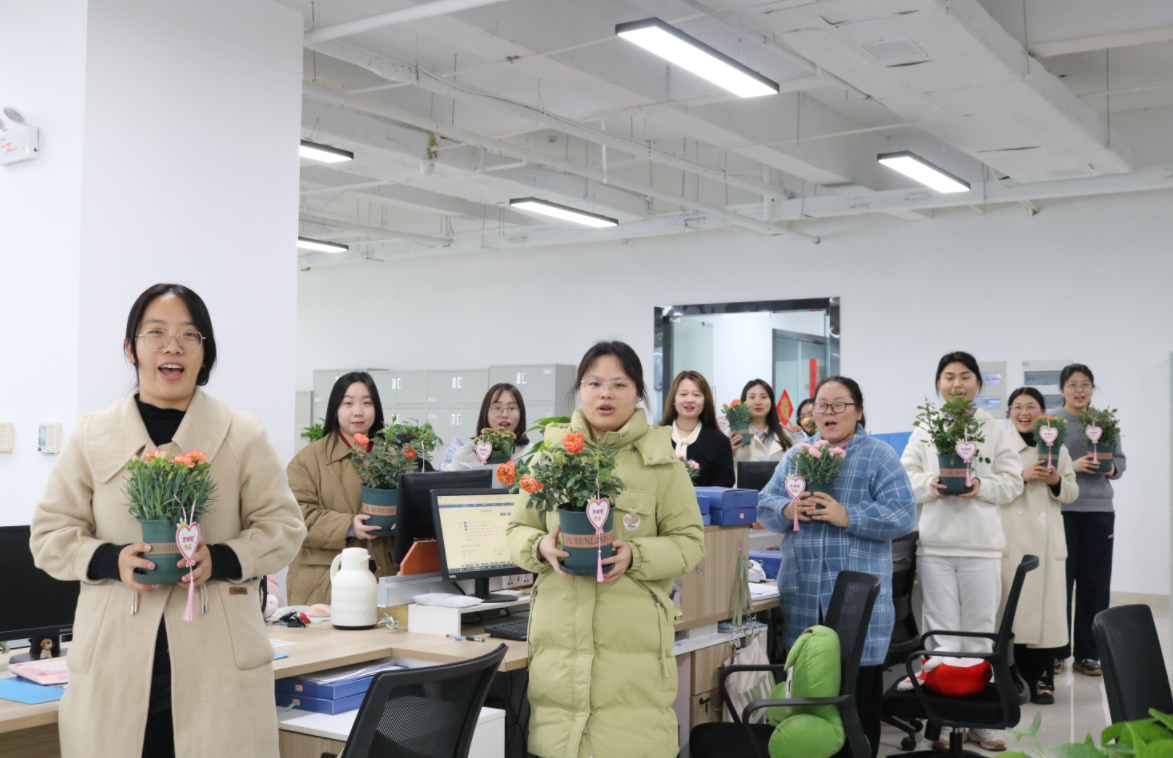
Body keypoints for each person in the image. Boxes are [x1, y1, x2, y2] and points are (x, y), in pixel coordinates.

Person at [29, 283, 306, 758]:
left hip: (219, 661)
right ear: (130, 349)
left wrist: (220, 558)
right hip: (115, 659)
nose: (171, 346)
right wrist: (108, 559)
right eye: (155, 333)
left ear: (205, 353)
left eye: (189, 335)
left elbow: (283, 527)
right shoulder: (93, 435)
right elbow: (50, 534)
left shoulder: (242, 434)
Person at [507, 341, 705, 758]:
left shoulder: (662, 465)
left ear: (638, 394)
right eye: (594, 382)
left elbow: (689, 544)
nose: (605, 393)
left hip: (630, 656)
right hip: (559, 651)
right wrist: (539, 546)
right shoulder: (550, 458)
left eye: (619, 383)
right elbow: (518, 529)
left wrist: (636, 555)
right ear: (580, 390)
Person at [759, 376, 916, 758]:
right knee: (810, 695)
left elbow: (903, 516)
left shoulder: (879, 456)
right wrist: (786, 509)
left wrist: (850, 516)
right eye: (820, 405)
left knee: (855, 699)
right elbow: (765, 504)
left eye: (838, 405)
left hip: (855, 602)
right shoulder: (797, 454)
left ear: (858, 411)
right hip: (804, 593)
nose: (827, 413)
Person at [901, 351, 1022, 752]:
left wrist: (981, 487)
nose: (957, 384)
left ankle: (979, 723)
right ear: (938, 383)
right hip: (935, 545)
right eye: (949, 376)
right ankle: (940, 719)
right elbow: (906, 477)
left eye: (965, 376)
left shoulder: (994, 428)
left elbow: (1012, 483)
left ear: (977, 384)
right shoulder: (925, 428)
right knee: (940, 635)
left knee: (978, 633)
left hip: (981, 548)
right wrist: (931, 482)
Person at [286, 372, 398, 606]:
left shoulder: (392, 457)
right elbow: (295, 517)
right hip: (325, 583)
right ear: (335, 410)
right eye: (348, 403)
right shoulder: (308, 460)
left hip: (383, 579)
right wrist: (349, 525)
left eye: (366, 403)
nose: (358, 411)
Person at [999, 388, 1078, 704]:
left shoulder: (1057, 448)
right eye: (1017, 406)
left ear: (1044, 412)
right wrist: (1022, 476)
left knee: (1047, 616)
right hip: (1012, 541)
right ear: (1009, 413)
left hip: (1047, 546)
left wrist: (1056, 479)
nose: (1024, 412)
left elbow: (1072, 492)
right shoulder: (1002, 446)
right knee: (1014, 613)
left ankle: (1043, 679)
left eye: (1031, 406)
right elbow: (990, 488)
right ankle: (1013, 677)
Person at [1050, 363, 1126, 677]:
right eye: (1072, 384)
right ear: (1062, 389)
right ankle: (1055, 651)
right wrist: (1074, 464)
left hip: (1099, 510)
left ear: (1092, 388)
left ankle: (1090, 653)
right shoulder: (1052, 422)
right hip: (1062, 509)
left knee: (1095, 584)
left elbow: (1120, 463)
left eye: (1085, 384)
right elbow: (1046, 463)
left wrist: (1107, 467)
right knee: (1059, 583)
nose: (1079, 390)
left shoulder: (1105, 421)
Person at [661, 370, 735, 487]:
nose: (689, 400)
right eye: (683, 394)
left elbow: (725, 484)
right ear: (673, 400)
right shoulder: (656, 437)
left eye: (696, 395)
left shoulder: (720, 442)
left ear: (705, 401)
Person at [449, 383, 537, 470]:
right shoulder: (465, 455)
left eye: (511, 408)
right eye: (497, 408)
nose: (505, 415)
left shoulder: (533, 455)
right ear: (485, 412)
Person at [729, 379, 793, 480]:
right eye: (752, 397)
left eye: (763, 397)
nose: (758, 402)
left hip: (778, 494)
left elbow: (799, 466)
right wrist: (727, 455)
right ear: (743, 403)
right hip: (743, 493)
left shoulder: (786, 435)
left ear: (771, 402)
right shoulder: (731, 434)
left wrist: (798, 437)